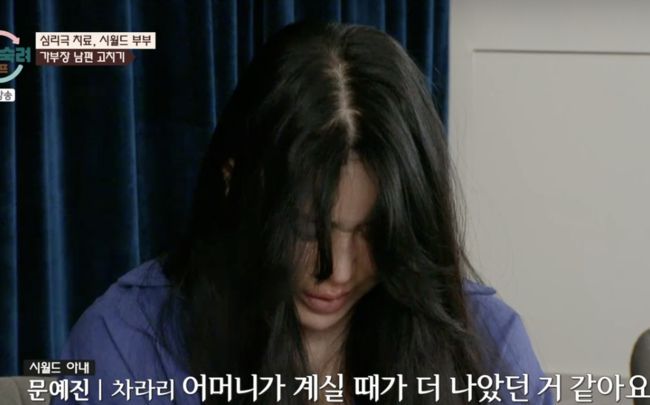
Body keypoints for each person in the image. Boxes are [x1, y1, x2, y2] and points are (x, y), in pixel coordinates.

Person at [53, 21, 554, 405]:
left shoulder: (488, 344)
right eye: (306, 228)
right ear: (234, 184)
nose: (337, 272)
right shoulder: (124, 345)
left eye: (373, 231)